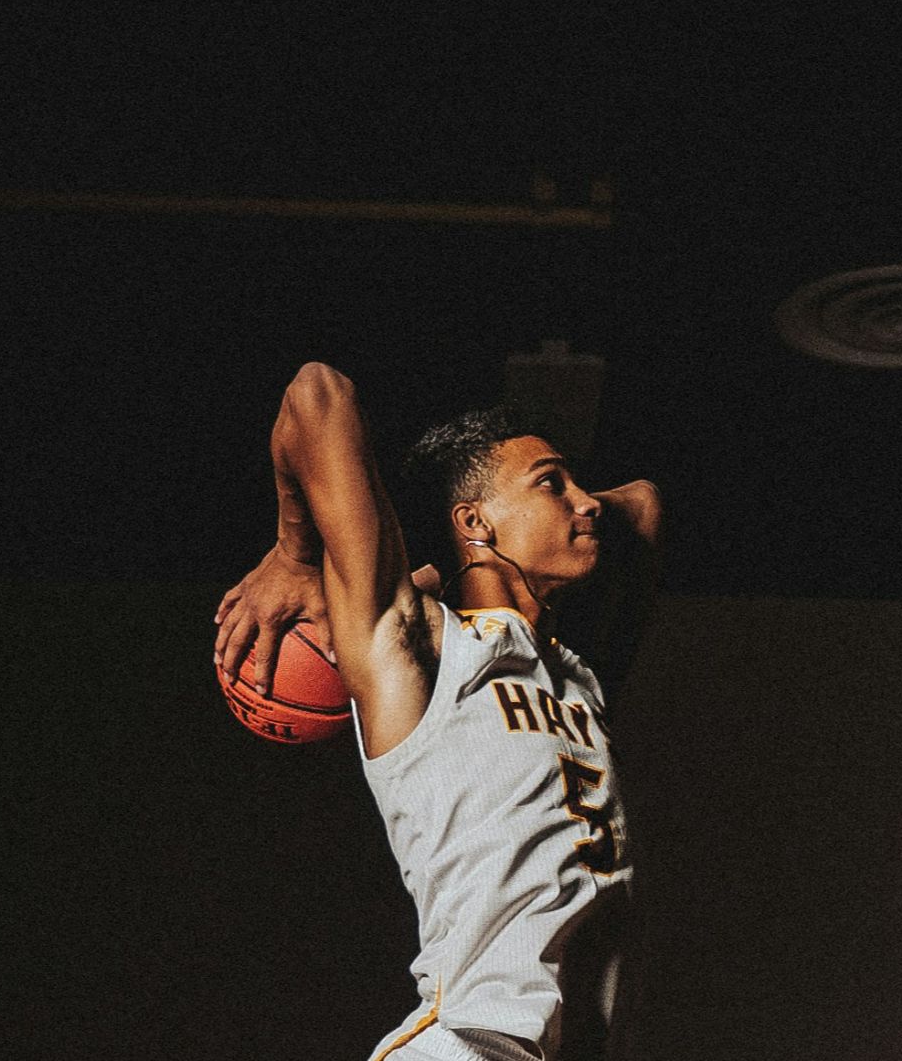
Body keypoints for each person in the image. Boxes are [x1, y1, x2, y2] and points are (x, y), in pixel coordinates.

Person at [213, 362, 661, 1061]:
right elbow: (316, 392)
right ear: (474, 520)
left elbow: (644, 502)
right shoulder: (417, 643)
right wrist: (297, 552)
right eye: (553, 482)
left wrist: (550, 496)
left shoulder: (579, 674)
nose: (587, 502)